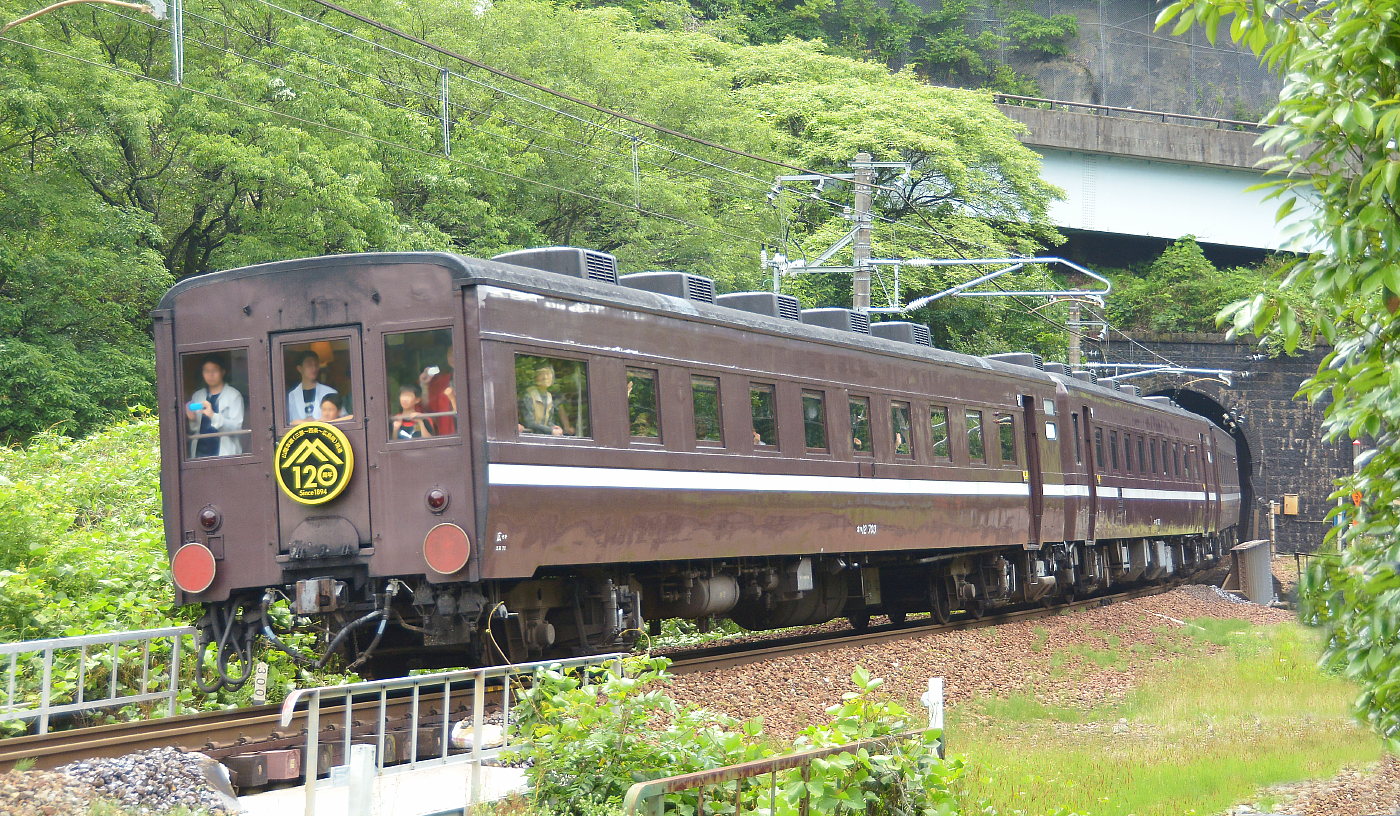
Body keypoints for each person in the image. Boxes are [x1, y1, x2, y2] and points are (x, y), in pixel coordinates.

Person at [186, 355, 245, 458]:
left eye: (214, 370)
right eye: (206, 371)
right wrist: (192, 419)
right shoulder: (198, 395)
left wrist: (213, 416)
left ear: (223, 372)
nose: (210, 375)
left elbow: (237, 429)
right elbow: (195, 429)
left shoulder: (234, 395)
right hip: (199, 455)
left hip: (226, 455)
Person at [287, 350, 338, 424]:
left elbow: (343, 418)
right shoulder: (291, 396)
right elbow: (288, 422)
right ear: (300, 368)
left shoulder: (330, 392)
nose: (314, 369)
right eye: (309, 365)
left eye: (316, 365)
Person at [519, 364, 564, 436]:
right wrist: (550, 430)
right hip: (529, 437)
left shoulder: (549, 396)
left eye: (548, 374)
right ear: (536, 378)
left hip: (543, 436)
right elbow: (529, 423)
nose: (545, 377)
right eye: (541, 374)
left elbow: (548, 421)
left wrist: (555, 428)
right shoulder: (529, 396)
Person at [420, 364, 457, 435]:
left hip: (457, 428)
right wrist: (424, 385)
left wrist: (452, 398)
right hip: (440, 429)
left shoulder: (452, 379)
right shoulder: (434, 384)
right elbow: (426, 408)